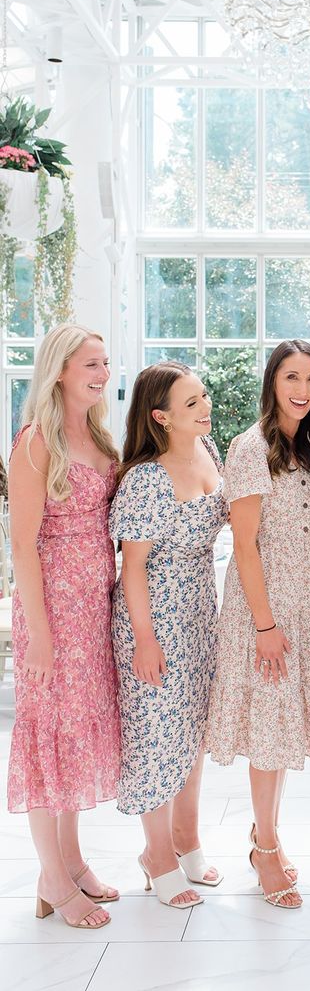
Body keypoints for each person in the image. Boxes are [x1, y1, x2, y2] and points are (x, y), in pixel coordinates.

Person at [206, 340, 310, 909]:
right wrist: (264, 624)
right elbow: (245, 544)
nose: (302, 390)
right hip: (264, 603)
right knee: (266, 727)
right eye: (291, 378)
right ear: (272, 382)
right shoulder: (250, 447)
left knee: (279, 729)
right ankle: (266, 848)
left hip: (301, 600)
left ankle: (265, 835)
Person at [7, 324, 120, 929]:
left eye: (105, 364)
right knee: (49, 734)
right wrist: (42, 636)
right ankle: (49, 875)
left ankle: (73, 861)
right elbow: (21, 545)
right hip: (52, 612)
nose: (102, 374)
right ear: (59, 371)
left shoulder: (99, 434)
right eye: (91, 365)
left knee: (77, 734)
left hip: (94, 610)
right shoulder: (35, 441)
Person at [110, 361, 228, 908]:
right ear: (161, 417)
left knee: (192, 735)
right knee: (155, 737)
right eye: (191, 403)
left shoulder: (208, 454)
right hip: (154, 616)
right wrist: (145, 640)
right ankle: (156, 854)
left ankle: (187, 839)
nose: (205, 406)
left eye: (203, 395)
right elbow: (131, 569)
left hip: (201, 613)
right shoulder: (145, 480)